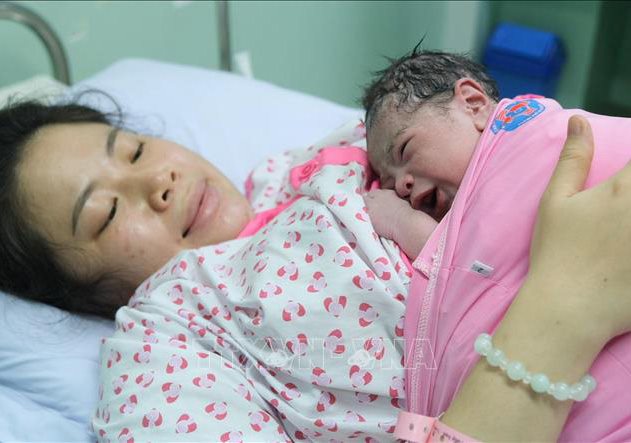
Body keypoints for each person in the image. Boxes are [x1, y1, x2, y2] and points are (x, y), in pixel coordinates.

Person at [0, 96, 630, 442]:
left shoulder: (315, 159)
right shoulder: (164, 340)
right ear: (75, 292)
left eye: (134, 150)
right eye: (106, 214)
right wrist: (564, 303)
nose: (156, 181)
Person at [362, 49, 631, 441]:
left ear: (473, 104)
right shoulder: (469, 201)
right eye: (389, 183)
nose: (401, 186)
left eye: (404, 151)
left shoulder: (526, 143)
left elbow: (464, 260)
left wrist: (405, 223)